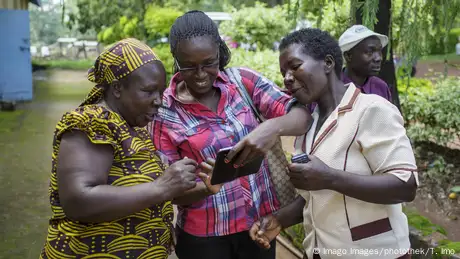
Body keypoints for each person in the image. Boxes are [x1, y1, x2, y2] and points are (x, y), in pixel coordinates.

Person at [151, 10, 311, 259]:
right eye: (190, 67)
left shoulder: (242, 82)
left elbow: (302, 117)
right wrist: (206, 187)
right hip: (203, 239)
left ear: (219, 52)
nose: (201, 74)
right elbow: (168, 190)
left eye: (209, 62)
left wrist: (269, 128)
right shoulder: (165, 111)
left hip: (258, 228)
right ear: (176, 60)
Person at [249, 28, 419, 259]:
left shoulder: (371, 109)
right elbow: (318, 195)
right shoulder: (310, 123)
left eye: (295, 66)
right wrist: (280, 220)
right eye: (283, 72)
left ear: (328, 63)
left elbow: (406, 186)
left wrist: (330, 177)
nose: (287, 78)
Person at [39, 38, 215, 259]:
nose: (158, 101)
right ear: (117, 88)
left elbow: (140, 194)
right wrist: (161, 187)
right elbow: (78, 200)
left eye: (160, 92)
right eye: (148, 91)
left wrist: (204, 187)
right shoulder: (92, 122)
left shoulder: (133, 128)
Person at [339, 24, 393, 102]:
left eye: (379, 51)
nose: (379, 58)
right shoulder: (332, 88)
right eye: (370, 52)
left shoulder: (381, 87)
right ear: (348, 56)